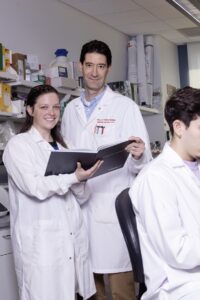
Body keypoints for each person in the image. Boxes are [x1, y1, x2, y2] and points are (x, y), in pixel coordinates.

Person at [61, 40, 152, 300]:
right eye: (89, 65)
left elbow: (142, 163)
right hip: (81, 213)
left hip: (112, 214)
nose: (94, 72)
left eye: (100, 66)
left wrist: (138, 154)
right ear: (81, 66)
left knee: (120, 292)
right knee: (90, 292)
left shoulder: (125, 107)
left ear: (108, 69)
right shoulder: (70, 110)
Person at [3, 84, 102, 300]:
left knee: (75, 294)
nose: (51, 113)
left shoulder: (66, 146)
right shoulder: (18, 146)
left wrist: (81, 180)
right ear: (30, 110)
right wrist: (74, 177)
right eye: (44, 107)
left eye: (56, 107)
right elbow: (35, 187)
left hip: (72, 240)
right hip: (42, 245)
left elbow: (83, 197)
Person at [129, 86, 200, 300]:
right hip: (180, 286)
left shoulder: (194, 166)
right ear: (178, 127)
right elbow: (178, 252)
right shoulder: (155, 178)